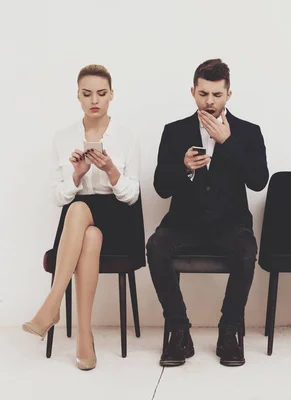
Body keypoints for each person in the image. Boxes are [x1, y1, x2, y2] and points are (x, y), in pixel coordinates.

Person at [147, 59, 269, 368]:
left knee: (246, 249)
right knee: (156, 246)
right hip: (184, 224)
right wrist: (184, 167)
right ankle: (178, 328)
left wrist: (228, 142)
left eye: (217, 94)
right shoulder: (174, 132)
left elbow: (258, 181)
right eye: (203, 94)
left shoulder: (248, 132)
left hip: (230, 225)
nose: (210, 102)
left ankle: (230, 329)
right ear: (193, 92)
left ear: (229, 94)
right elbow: (161, 187)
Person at [22, 64, 141, 371]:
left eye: (101, 93)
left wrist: (111, 171)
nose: (94, 100)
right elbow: (56, 197)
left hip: (117, 217)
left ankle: (52, 304)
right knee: (81, 219)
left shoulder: (127, 137)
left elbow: (132, 195)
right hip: (78, 225)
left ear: (112, 95)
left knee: (79, 211)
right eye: (87, 94)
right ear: (77, 96)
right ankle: (84, 338)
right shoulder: (62, 138)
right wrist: (76, 176)